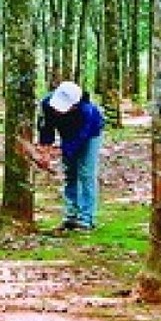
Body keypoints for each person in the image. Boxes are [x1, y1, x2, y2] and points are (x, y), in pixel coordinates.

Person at [37, 80, 105, 232]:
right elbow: (46, 128)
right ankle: (71, 215)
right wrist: (45, 152)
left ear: (74, 105)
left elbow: (81, 137)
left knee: (86, 173)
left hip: (90, 135)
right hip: (67, 134)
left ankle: (87, 218)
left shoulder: (87, 111)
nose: (57, 111)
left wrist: (62, 150)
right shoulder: (47, 103)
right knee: (70, 174)